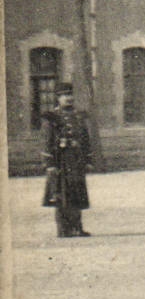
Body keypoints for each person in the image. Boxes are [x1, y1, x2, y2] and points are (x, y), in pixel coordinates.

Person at [41, 83, 92, 237]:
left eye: (70, 95)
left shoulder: (79, 116)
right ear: (58, 98)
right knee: (61, 194)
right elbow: (47, 141)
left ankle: (77, 227)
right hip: (60, 160)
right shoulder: (52, 117)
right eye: (64, 95)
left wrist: (88, 159)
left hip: (76, 160)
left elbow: (85, 139)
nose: (68, 98)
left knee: (77, 192)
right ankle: (63, 229)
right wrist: (50, 164)